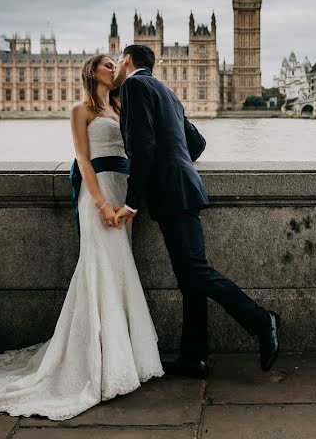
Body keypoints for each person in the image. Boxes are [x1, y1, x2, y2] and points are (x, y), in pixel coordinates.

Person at [0, 54, 163, 421]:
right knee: (99, 268)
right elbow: (82, 158)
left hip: (123, 192)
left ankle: (121, 356)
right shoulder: (81, 109)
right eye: (108, 64)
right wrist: (102, 204)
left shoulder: (122, 107)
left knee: (121, 269)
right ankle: (95, 362)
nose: (115, 68)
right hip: (100, 194)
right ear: (92, 72)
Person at [113, 44, 280, 378]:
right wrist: (178, 163)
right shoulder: (168, 92)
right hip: (185, 186)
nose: (117, 65)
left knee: (196, 273)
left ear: (127, 60)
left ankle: (262, 321)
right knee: (190, 279)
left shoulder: (133, 85)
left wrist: (131, 201)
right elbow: (197, 144)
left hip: (171, 192)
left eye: (118, 59)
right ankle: (194, 357)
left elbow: (142, 146)